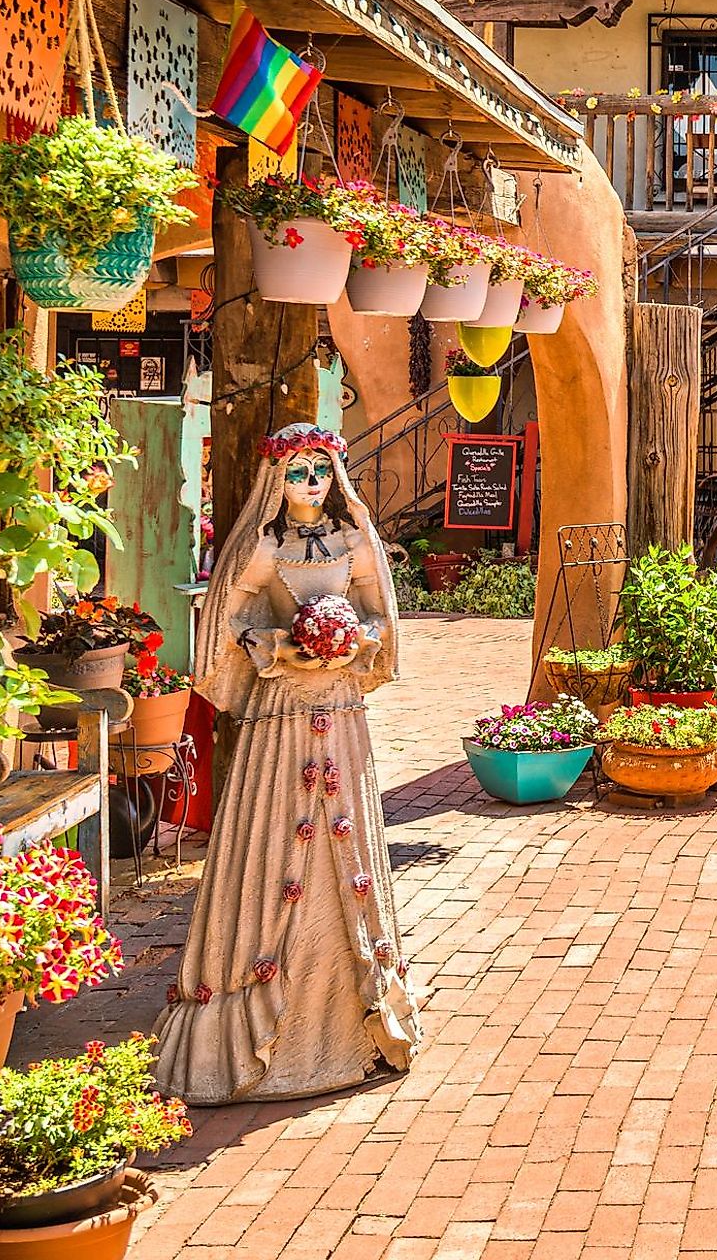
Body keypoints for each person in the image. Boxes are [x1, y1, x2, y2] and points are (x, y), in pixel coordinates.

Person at [154, 423, 425, 1104]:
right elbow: (232, 615)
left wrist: (350, 640)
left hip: (338, 707)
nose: (312, 483)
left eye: (322, 471)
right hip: (281, 718)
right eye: (300, 472)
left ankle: (350, 1020)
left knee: (346, 849)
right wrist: (278, 644)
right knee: (273, 845)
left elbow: (377, 617)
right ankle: (259, 1031)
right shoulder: (265, 544)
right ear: (278, 481)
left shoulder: (353, 538)